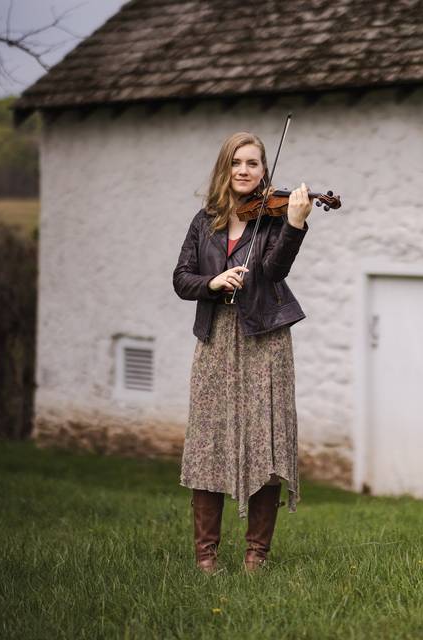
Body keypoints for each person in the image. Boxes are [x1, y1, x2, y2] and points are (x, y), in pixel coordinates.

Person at [172, 131, 312, 574]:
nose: (244, 170)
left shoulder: (272, 219)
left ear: (263, 171)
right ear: (225, 168)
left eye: (253, 163)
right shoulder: (204, 220)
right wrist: (211, 284)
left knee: (264, 444)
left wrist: (293, 225)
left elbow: (273, 271)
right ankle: (206, 555)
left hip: (263, 338)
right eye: (237, 162)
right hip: (216, 338)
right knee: (209, 441)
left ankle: (257, 555)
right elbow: (181, 278)